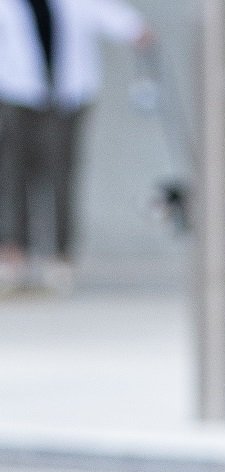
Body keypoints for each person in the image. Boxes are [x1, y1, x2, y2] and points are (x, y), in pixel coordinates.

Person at [0, 0, 150, 292]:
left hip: (67, 97)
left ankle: (60, 255)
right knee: (12, 176)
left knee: (60, 175)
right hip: (16, 93)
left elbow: (109, 14)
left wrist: (135, 29)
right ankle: (13, 252)